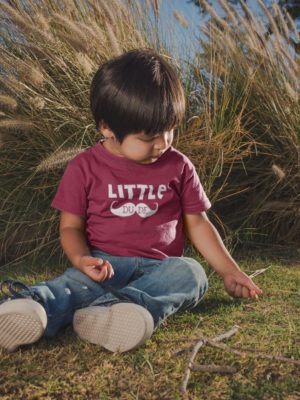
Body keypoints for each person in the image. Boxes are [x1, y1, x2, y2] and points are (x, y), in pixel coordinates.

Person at [0, 48, 262, 353]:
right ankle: (32, 307)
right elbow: (70, 227)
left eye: (169, 130)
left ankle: (118, 311)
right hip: (104, 266)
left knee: (192, 274)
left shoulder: (179, 166)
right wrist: (82, 260)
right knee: (71, 286)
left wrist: (230, 271)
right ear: (107, 128)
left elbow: (198, 224)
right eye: (149, 138)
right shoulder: (83, 167)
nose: (162, 143)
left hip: (160, 270)